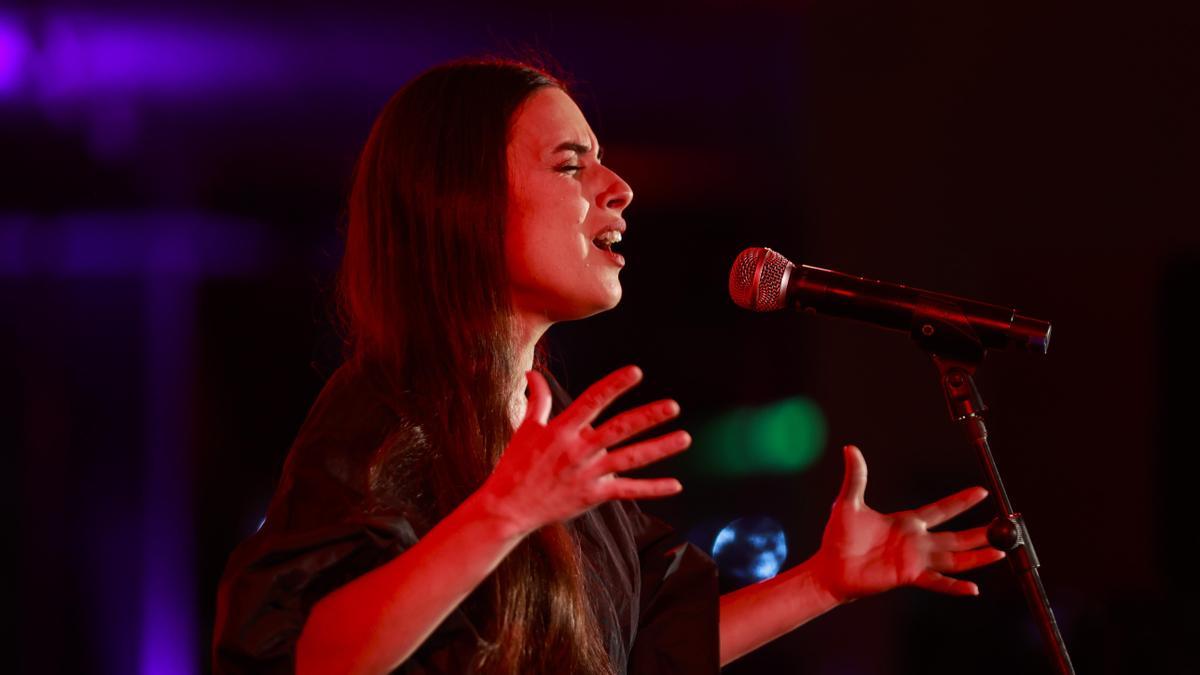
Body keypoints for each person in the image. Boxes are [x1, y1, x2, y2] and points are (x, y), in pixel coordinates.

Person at [211, 57, 1006, 675]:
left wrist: (825, 581)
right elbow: (310, 654)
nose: (619, 189)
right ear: (466, 205)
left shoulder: (550, 424)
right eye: (570, 165)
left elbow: (650, 643)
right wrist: (504, 513)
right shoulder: (388, 407)